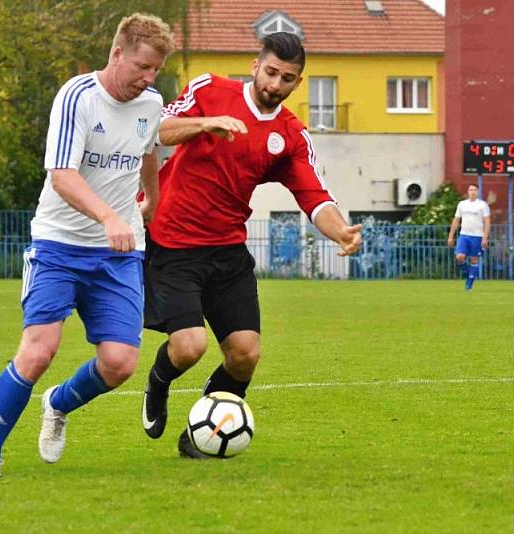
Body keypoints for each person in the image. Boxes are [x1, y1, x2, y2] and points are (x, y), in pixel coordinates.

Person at [0, 13, 175, 480]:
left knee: (120, 363)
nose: (148, 78)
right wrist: (108, 217)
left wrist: (153, 199)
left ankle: (58, 404)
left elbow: (148, 151)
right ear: (117, 53)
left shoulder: (151, 103)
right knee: (39, 351)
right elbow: (62, 176)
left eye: (156, 71)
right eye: (142, 66)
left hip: (120, 250)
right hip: (59, 244)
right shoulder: (77, 96)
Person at [139, 32, 363, 458]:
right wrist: (205, 123)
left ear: (298, 84)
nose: (275, 84)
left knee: (244, 355)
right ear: (255, 65)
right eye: (271, 72)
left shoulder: (290, 135)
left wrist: (341, 231)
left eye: (288, 78)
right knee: (189, 347)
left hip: (228, 252)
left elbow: (315, 195)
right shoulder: (209, 89)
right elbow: (157, 131)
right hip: (174, 241)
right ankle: (158, 382)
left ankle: (200, 433)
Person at [447, 184, 491, 290]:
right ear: (468, 191)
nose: (473, 192)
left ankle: (469, 284)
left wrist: (485, 237)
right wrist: (450, 236)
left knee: (473, 260)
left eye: (475, 190)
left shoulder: (482, 205)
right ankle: (468, 274)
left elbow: (487, 221)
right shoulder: (462, 204)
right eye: (471, 190)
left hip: (477, 236)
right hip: (464, 235)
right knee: (459, 257)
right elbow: (456, 220)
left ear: (478, 192)